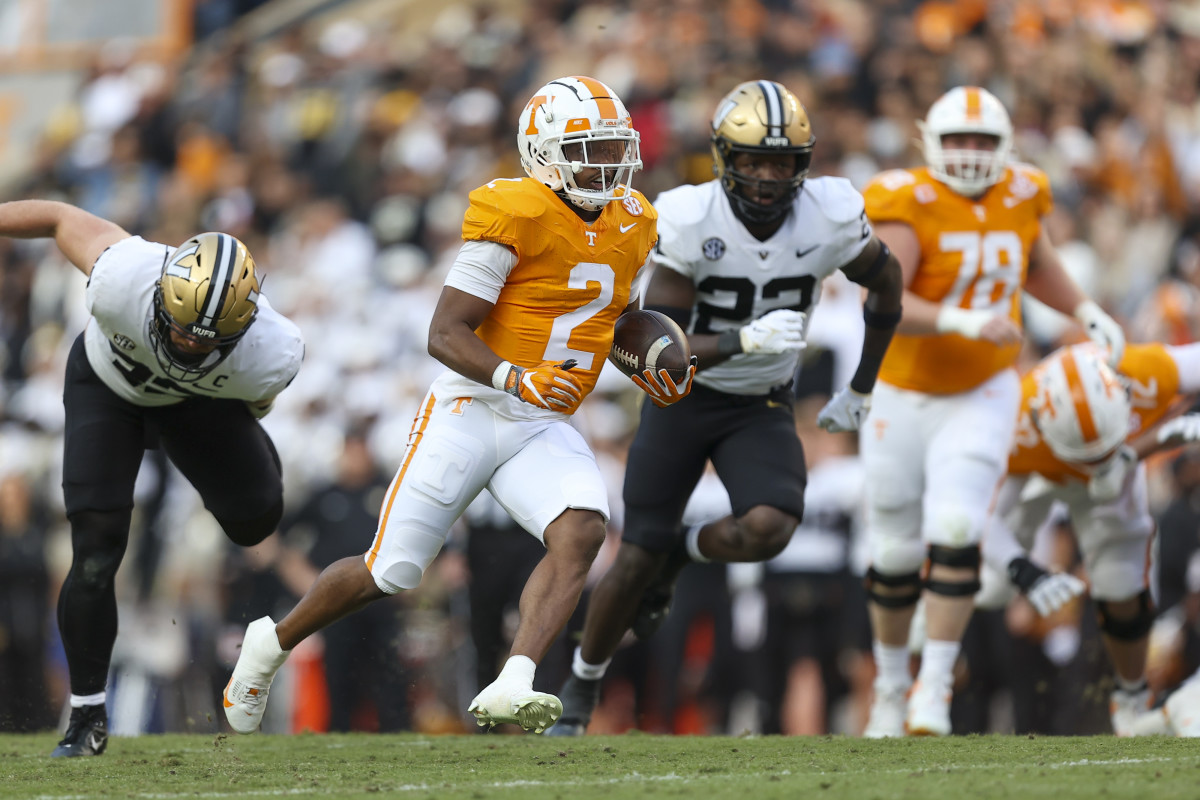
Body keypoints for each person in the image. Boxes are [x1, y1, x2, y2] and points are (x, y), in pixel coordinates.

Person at [222, 75, 694, 737]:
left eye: (612, 148)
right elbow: (444, 331)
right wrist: (516, 376)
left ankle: (515, 680)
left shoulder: (634, 222)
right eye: (588, 150)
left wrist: (649, 356)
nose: (606, 164)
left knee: (584, 528)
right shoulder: (515, 212)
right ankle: (272, 641)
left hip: (540, 420)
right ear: (543, 152)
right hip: (473, 406)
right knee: (391, 569)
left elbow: (612, 319)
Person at [549, 79, 903, 736]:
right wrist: (743, 337)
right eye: (752, 160)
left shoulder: (828, 214)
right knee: (635, 557)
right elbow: (652, 348)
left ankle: (684, 553)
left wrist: (861, 386)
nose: (767, 177)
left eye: (781, 162)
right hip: (683, 399)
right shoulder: (690, 219)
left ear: (804, 164)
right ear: (723, 158)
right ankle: (582, 682)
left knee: (771, 525)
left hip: (759, 402)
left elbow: (887, 282)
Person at [857, 86, 1125, 738]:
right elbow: (883, 301)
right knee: (893, 550)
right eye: (958, 141)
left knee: (957, 526)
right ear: (931, 142)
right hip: (901, 390)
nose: (971, 154)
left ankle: (935, 689)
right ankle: (891, 687)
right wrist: (963, 318)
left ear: (1004, 146)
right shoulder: (907, 199)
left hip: (981, 389)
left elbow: (1032, 259)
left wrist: (1083, 308)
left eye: (982, 141)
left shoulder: (1023, 192)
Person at [0, 201, 305, 757]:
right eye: (183, 329)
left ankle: (199, 456)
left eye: (206, 341)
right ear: (162, 296)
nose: (189, 344)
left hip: (191, 403)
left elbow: (255, 402)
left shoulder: (272, 352)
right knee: (94, 552)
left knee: (257, 519)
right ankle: (87, 714)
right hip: (108, 387)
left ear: (242, 330)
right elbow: (56, 217)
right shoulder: (124, 276)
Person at [978, 341, 1200, 735]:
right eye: (1086, 452)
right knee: (990, 582)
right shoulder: (1014, 426)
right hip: (1042, 478)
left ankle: (1131, 699)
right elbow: (981, 519)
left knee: (1120, 584)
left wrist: (1169, 430)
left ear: (1123, 394)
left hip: (1122, 470)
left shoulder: (1143, 369)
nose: (1094, 461)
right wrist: (1025, 571)